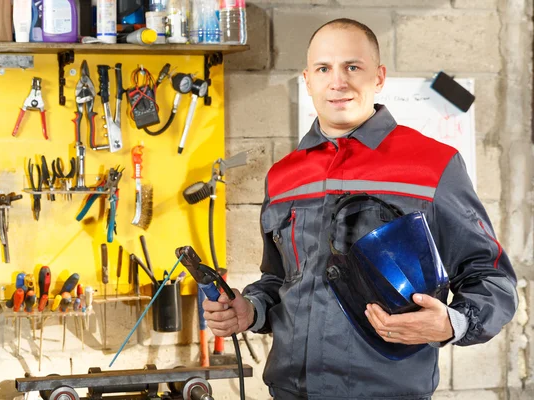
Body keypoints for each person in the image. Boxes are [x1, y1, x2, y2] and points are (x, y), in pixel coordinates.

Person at [203, 18, 518, 399]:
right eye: (324, 69)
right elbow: (279, 280)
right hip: (290, 391)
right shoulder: (284, 176)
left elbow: (491, 278)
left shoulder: (433, 165)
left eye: (353, 67)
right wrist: (250, 310)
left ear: (379, 77)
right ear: (308, 80)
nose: (338, 82)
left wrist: (452, 323)